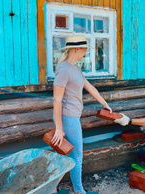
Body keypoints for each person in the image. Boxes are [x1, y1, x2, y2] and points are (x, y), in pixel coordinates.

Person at [51, 35, 111, 194]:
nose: (86, 52)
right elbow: (57, 101)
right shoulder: (63, 70)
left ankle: (52, 189)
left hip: (71, 118)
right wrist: (59, 128)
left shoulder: (75, 68)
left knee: (63, 155)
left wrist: (104, 104)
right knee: (76, 157)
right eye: (84, 49)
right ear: (76, 49)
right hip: (67, 119)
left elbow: (90, 87)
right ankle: (79, 192)